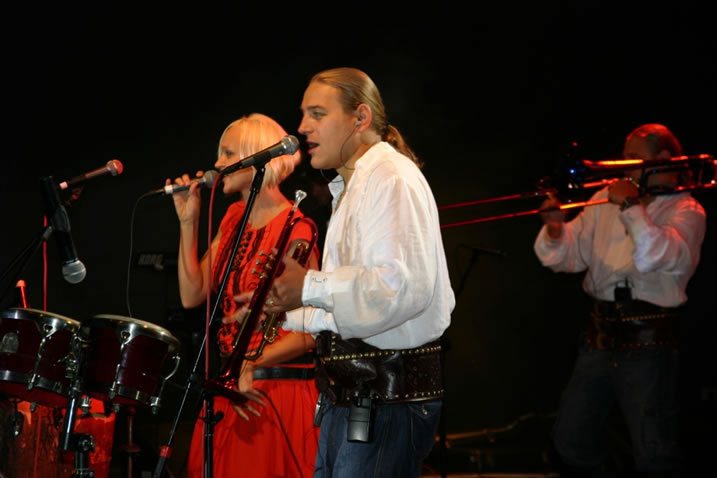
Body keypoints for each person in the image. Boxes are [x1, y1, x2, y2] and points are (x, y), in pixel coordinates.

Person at [265, 67, 455, 478]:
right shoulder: (351, 187)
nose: (303, 127)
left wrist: (308, 286)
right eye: (304, 114)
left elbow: (397, 290)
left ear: (360, 118)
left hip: (386, 401)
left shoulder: (391, 178)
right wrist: (284, 308)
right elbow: (356, 308)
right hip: (357, 400)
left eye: (317, 114)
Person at [534, 123, 707, 476]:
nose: (622, 166)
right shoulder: (604, 199)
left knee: (654, 452)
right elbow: (570, 257)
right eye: (623, 157)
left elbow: (656, 254)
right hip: (599, 338)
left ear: (662, 159)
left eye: (633, 158)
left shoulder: (687, 210)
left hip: (648, 344)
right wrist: (555, 229)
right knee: (570, 440)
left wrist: (630, 204)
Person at [169, 113, 320, 477]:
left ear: (258, 160)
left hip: (270, 393)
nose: (218, 163)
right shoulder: (234, 217)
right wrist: (188, 223)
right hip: (232, 385)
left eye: (228, 153)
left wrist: (251, 363)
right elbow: (192, 295)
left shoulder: (296, 228)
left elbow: (310, 332)